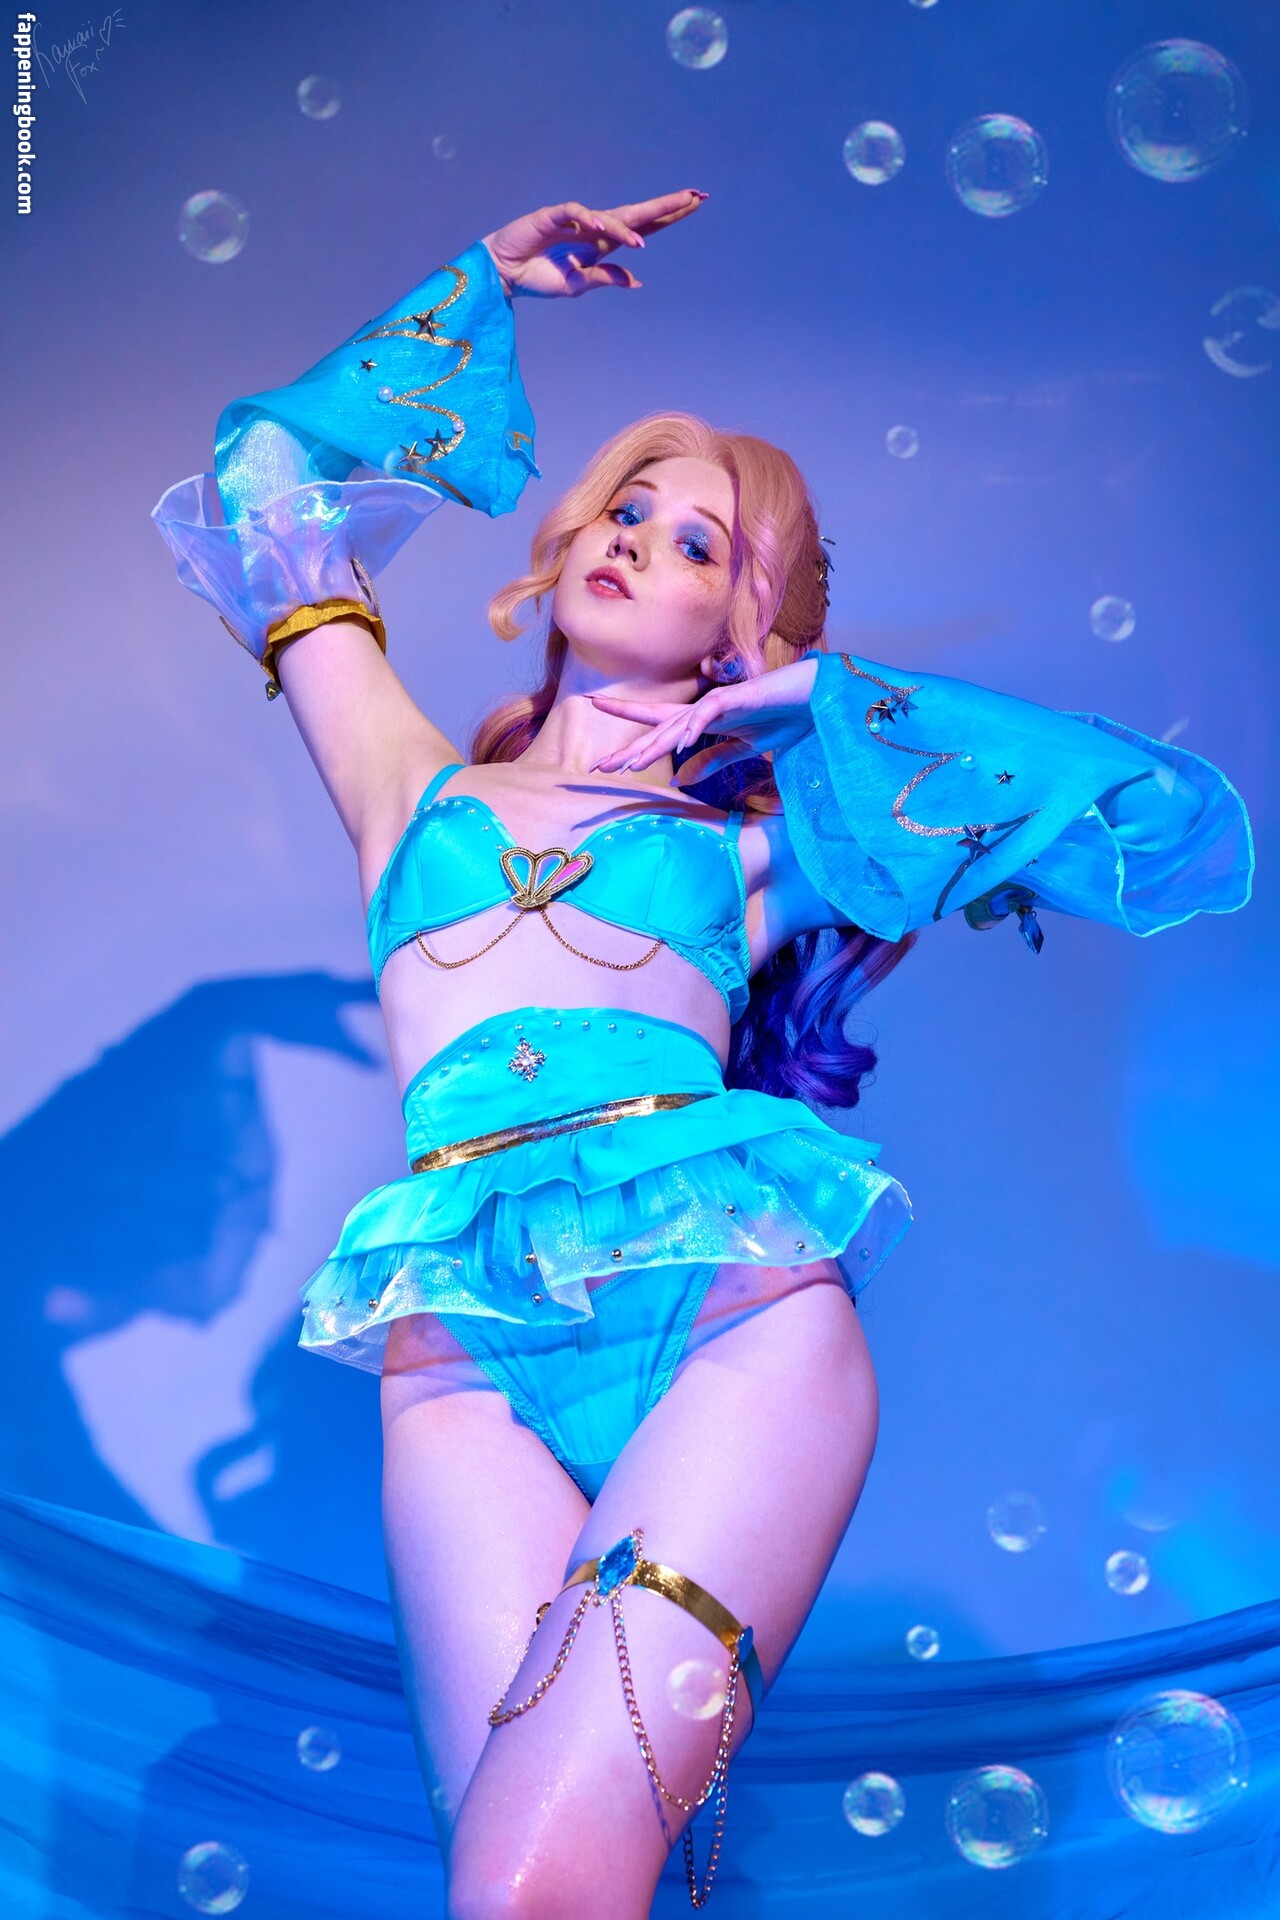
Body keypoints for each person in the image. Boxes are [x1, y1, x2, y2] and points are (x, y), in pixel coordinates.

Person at [152, 189, 1253, 1916]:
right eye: (624, 509)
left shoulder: (760, 849)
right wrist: (481, 283)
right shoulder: (406, 787)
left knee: (547, 1881)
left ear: (745, 625)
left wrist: (836, 703)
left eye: (693, 544)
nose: (634, 543)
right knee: (514, 1897)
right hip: (461, 1352)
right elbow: (266, 483)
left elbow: (1173, 821)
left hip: (732, 1331)